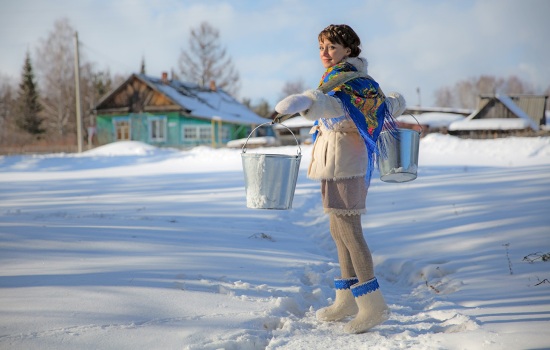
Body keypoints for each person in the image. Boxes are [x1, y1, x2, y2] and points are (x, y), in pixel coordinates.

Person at [274, 24, 406, 334]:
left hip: (347, 163)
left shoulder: (354, 84)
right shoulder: (335, 80)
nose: (324, 52)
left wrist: (305, 103)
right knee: (337, 229)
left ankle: (372, 305)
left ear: (348, 50)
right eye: (321, 46)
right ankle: (347, 298)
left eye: (331, 47)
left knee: (350, 231)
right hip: (333, 162)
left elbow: (336, 108)